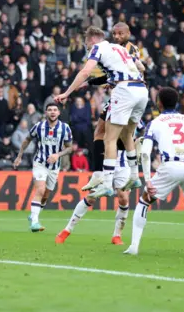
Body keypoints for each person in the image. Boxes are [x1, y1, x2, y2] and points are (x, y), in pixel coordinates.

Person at [123, 87, 184, 257]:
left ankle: (134, 247)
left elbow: (145, 153)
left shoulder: (156, 122)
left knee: (144, 201)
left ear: (159, 102)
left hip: (170, 165)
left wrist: (148, 181)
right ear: (177, 102)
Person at [55, 25, 147, 196]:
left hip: (124, 91)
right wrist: (100, 80)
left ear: (91, 40)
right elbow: (141, 68)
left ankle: (106, 182)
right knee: (127, 134)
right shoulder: (119, 48)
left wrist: (67, 92)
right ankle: (134, 175)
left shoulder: (97, 48)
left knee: (109, 139)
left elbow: (85, 71)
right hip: (141, 90)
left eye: (86, 45)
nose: (88, 49)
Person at [56, 100, 136, 245]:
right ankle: (67, 230)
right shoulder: (110, 106)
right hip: (107, 160)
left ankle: (117, 235)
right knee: (92, 197)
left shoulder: (134, 108)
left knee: (124, 198)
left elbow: (131, 137)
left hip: (123, 164)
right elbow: (99, 133)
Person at [13, 103, 73, 232]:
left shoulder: (65, 128)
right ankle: (34, 222)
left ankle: (33, 215)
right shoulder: (39, 126)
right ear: (46, 113)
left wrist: (58, 154)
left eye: (55, 110)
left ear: (58, 113)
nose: (52, 112)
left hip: (54, 166)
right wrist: (19, 156)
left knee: (45, 195)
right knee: (40, 190)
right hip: (40, 163)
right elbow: (27, 139)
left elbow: (69, 148)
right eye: (50, 110)